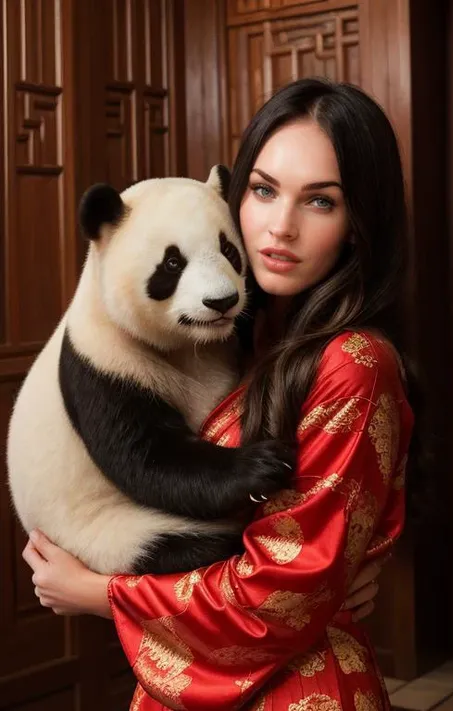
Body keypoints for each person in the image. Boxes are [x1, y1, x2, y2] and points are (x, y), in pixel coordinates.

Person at [22, 77, 414, 710]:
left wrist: (100, 593)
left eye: (320, 202)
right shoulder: (245, 329)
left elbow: (277, 598)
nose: (278, 226)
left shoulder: (353, 361)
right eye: (262, 190)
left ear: (359, 220)